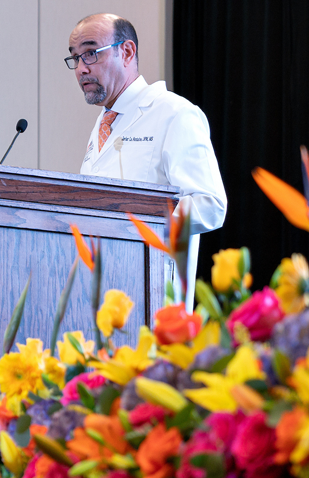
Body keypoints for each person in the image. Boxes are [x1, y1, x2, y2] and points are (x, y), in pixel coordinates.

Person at [67, 13, 227, 310]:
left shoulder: (174, 113)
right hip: (98, 304)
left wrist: (135, 222)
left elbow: (210, 204)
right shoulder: (104, 125)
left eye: (90, 53)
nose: (81, 69)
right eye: (75, 58)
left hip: (152, 302)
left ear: (126, 51)